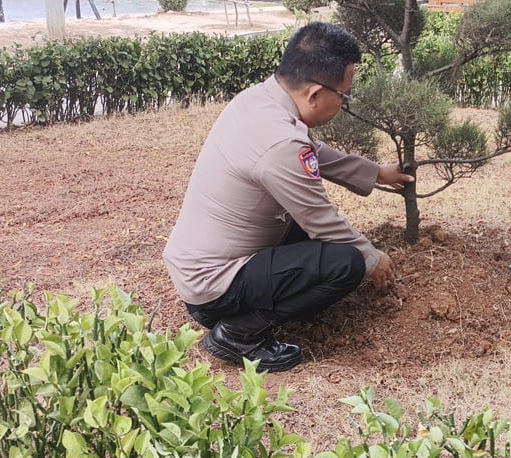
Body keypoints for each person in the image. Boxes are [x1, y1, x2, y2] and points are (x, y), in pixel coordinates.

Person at [163, 22, 412, 371]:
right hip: (214, 289)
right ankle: (240, 333)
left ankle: (271, 303)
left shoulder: (259, 101)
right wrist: (373, 258)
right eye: (344, 96)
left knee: (325, 245)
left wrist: (374, 172)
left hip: (200, 265)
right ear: (314, 94)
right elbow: (321, 219)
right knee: (347, 263)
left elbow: (311, 151)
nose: (343, 104)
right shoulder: (280, 143)